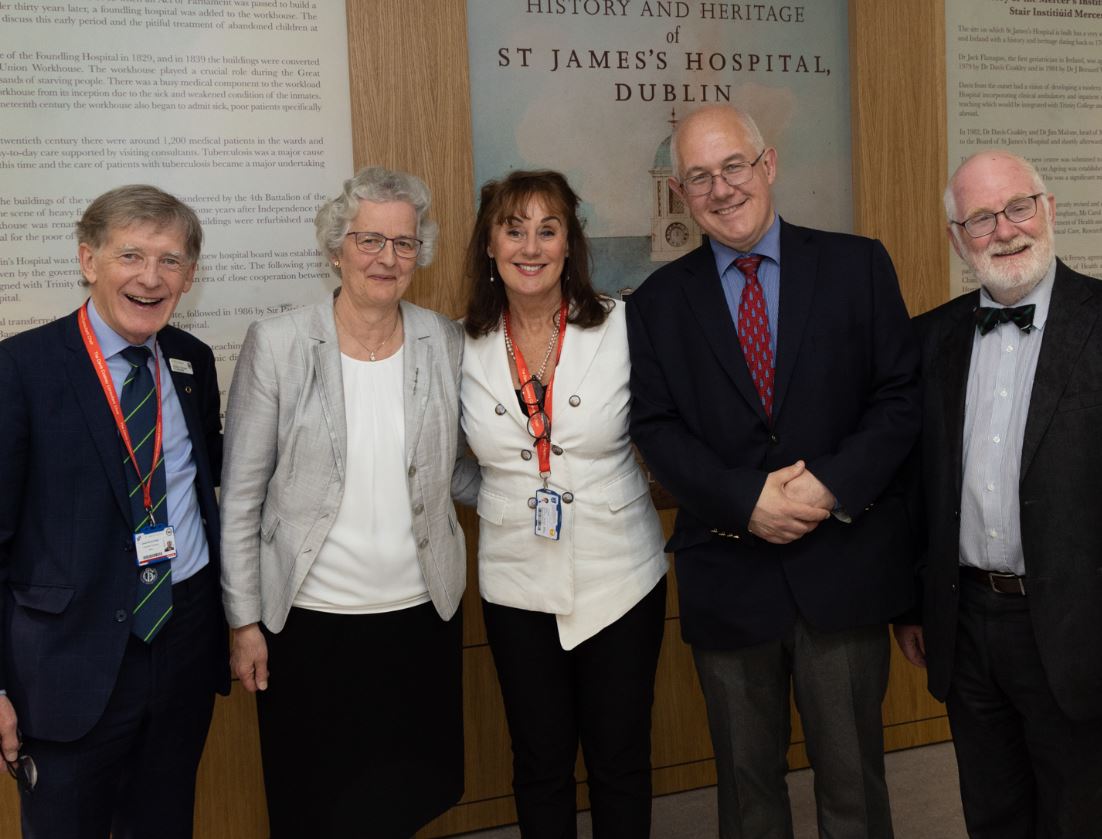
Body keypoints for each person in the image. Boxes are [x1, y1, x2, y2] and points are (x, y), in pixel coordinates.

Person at [626, 104, 921, 838]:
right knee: (748, 794)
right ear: (680, 193)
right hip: (728, 575)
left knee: (854, 786)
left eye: (734, 166)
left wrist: (827, 484)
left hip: (842, 568)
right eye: (699, 177)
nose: (721, 188)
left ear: (769, 164)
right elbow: (654, 425)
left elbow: (900, 397)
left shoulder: (859, 265)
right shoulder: (657, 302)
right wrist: (745, 499)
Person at [219, 166, 479, 839]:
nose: (386, 258)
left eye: (403, 243)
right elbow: (241, 496)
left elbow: (453, 471)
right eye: (369, 240)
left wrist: (534, 488)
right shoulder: (279, 343)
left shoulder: (444, 340)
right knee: (315, 800)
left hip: (418, 614)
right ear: (335, 248)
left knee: (401, 794)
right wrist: (244, 621)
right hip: (309, 624)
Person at [0, 185, 227, 837]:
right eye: (131, 254)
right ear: (88, 259)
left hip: (181, 644)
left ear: (189, 274)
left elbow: (201, 484)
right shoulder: (23, 369)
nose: (151, 278)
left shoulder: (191, 361)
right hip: (69, 664)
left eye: (171, 260)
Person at [893, 150, 1102, 838]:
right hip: (968, 623)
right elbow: (916, 489)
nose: (1005, 229)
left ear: (1048, 210)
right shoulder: (930, 338)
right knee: (992, 811)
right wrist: (915, 602)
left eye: (1018, 206)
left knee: (1077, 811)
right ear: (957, 238)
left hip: (1077, 626)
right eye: (980, 218)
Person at [460, 170, 668, 838]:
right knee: (540, 761)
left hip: (622, 574)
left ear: (569, 243)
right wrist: (501, 498)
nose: (530, 245)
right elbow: (446, 464)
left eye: (547, 229)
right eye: (513, 228)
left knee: (620, 759)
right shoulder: (456, 346)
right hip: (516, 578)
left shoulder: (621, 326)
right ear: (488, 243)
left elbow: (665, 430)